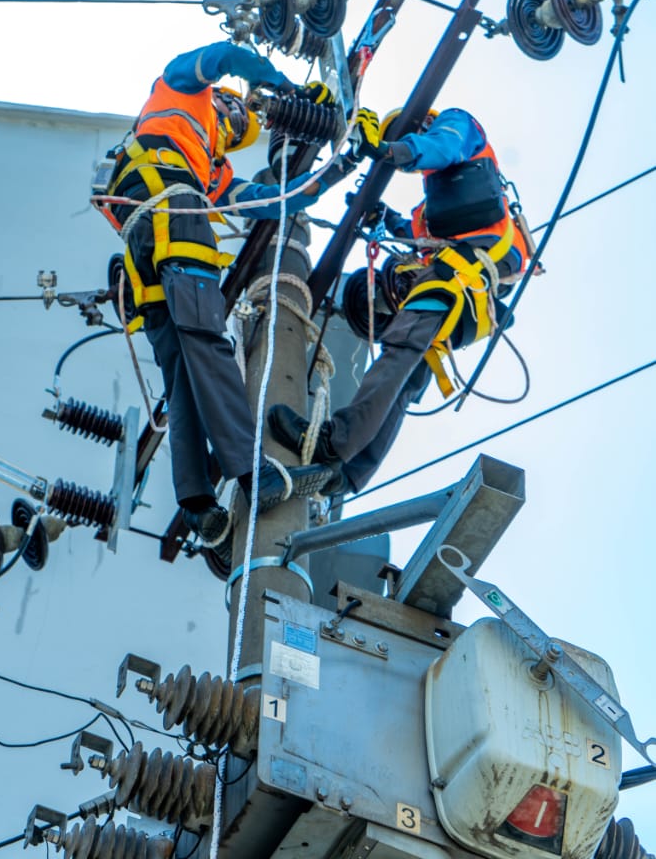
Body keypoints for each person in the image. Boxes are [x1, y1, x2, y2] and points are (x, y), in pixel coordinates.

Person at [96, 40, 355, 550]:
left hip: (147, 244)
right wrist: (279, 86)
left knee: (183, 372)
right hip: (174, 221)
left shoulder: (211, 171)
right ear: (225, 101)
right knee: (206, 346)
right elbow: (220, 54)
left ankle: (196, 502)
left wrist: (333, 173)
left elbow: (272, 201)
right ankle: (251, 471)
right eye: (236, 113)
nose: (236, 122)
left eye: (239, 129)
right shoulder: (178, 91)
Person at [268, 106, 530, 494]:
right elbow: (418, 235)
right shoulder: (438, 204)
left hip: (464, 273)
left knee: (400, 348)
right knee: (408, 377)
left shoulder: (458, 125)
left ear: (422, 123)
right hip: (469, 291)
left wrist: (390, 151)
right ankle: (351, 473)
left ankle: (334, 442)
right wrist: (385, 217)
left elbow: (443, 145)